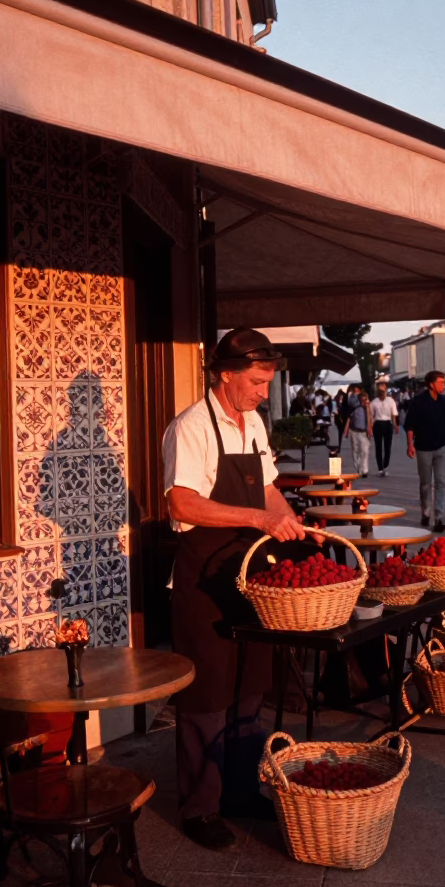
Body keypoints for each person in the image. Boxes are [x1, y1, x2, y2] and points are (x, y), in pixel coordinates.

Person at [163, 327, 307, 850]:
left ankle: (241, 790)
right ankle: (200, 807)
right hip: (203, 577)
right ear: (225, 374)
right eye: (256, 382)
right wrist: (258, 518)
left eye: (267, 383)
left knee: (249, 684)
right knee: (207, 691)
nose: (264, 393)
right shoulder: (190, 427)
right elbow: (181, 503)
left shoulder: (253, 423)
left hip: (248, 573)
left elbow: (266, 488)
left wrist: (293, 525)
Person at [404, 370, 445, 532]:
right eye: (440, 382)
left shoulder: (444, 402)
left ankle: (438, 517)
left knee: (441, 482)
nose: (443, 385)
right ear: (431, 384)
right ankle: (426, 512)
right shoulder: (418, 402)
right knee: (425, 483)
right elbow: (410, 425)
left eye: (443, 382)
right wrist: (409, 445)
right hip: (423, 447)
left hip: (442, 447)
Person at [371, 380, 399, 476]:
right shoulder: (374, 402)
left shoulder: (390, 401)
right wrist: (370, 427)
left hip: (387, 423)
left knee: (388, 446)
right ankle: (380, 468)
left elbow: (393, 413)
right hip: (378, 424)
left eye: (383, 391)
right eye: (380, 392)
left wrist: (395, 425)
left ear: (386, 391)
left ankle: (385, 465)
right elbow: (371, 416)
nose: (381, 393)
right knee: (378, 447)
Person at [343, 388, 373, 475]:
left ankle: (365, 470)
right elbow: (349, 419)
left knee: (365, 451)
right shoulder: (355, 408)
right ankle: (358, 466)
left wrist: (370, 429)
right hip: (354, 432)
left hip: (364, 432)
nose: (364, 401)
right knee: (356, 450)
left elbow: (370, 419)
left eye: (366, 399)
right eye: (363, 400)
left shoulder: (368, 408)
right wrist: (346, 431)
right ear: (360, 400)